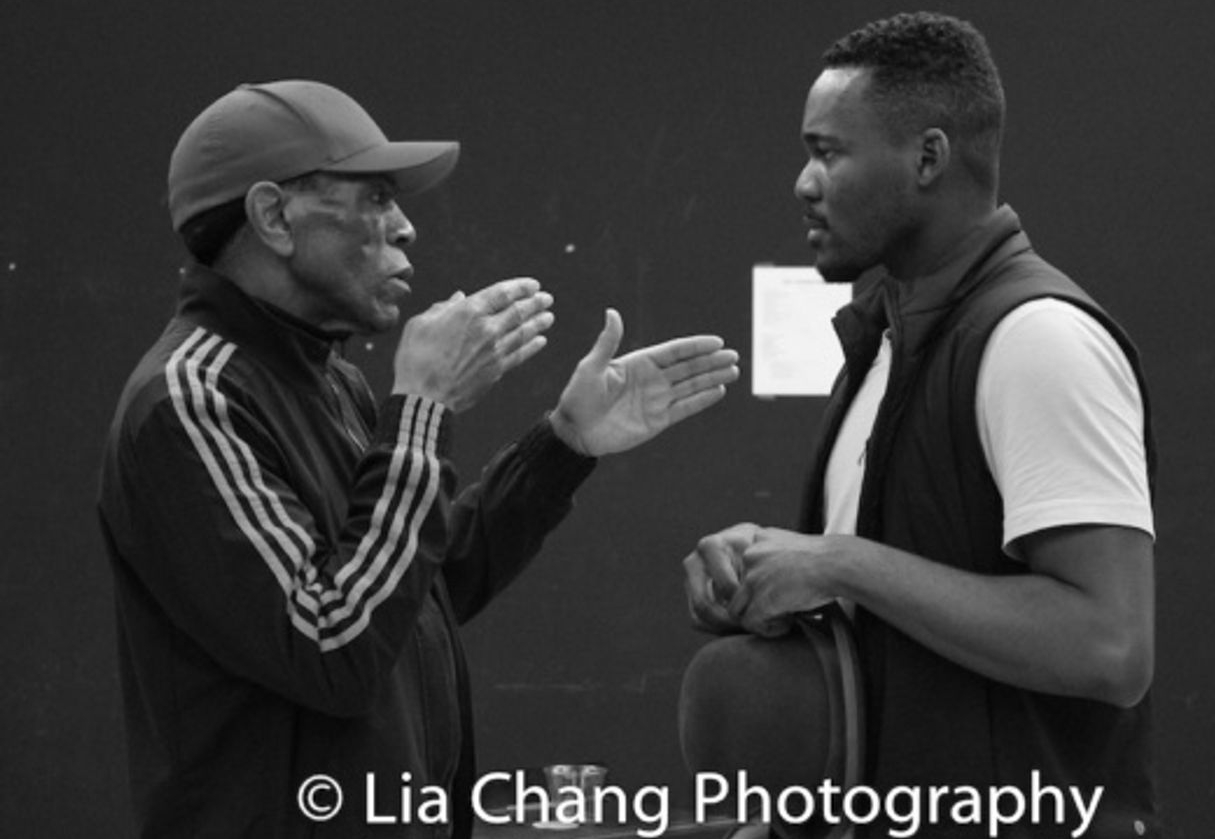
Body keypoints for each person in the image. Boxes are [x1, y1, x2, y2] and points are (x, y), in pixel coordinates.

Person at [98, 79, 740, 838]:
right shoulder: (190, 399)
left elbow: (417, 595)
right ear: (273, 215)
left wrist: (564, 443)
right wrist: (422, 410)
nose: (404, 227)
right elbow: (332, 641)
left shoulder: (324, 378)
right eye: (373, 199)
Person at [683, 13, 1158, 837]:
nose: (803, 182)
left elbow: (1110, 648)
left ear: (928, 158)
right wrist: (769, 585)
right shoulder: (886, 344)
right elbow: (891, 626)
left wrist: (841, 562)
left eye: (828, 151)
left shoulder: (1036, 339)